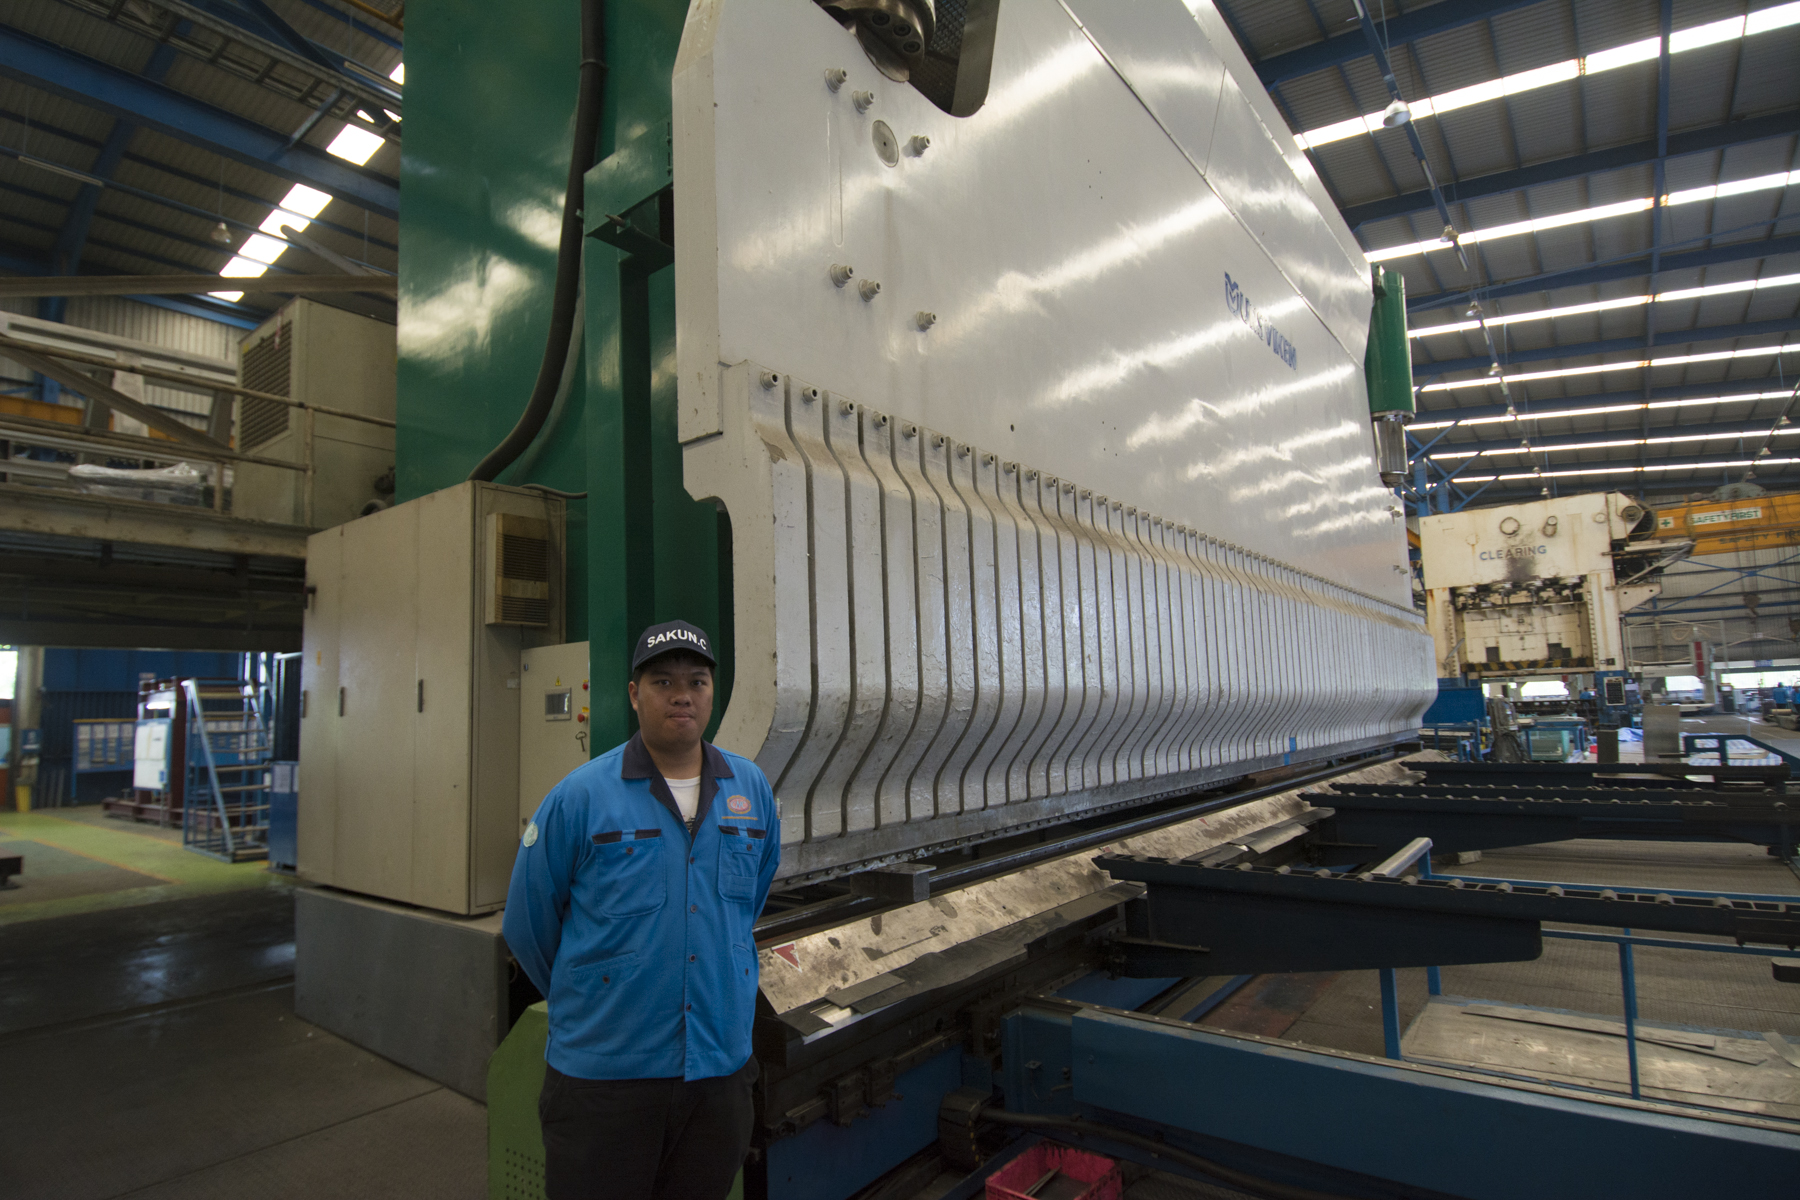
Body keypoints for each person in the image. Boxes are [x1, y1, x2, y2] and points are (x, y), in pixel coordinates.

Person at [504, 619, 779, 1200]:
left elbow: (746, 902)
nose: (682, 694)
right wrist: (599, 997)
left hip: (718, 1073)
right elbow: (528, 924)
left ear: (713, 692)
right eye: (662, 681)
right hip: (605, 1083)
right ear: (634, 694)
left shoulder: (750, 789)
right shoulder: (580, 797)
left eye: (697, 681)